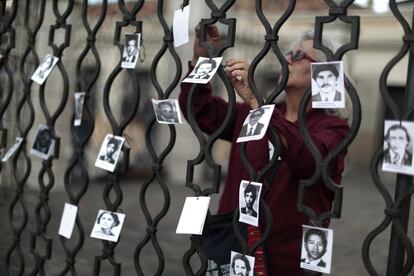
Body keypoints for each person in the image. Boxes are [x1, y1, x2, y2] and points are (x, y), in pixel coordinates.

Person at [179, 25, 349, 275]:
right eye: (288, 53)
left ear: (326, 72)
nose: (287, 58)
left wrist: (258, 103)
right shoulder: (252, 112)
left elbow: (309, 159)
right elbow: (199, 110)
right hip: (234, 252)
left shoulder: (334, 128)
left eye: (299, 55)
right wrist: (203, 60)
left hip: (285, 262)